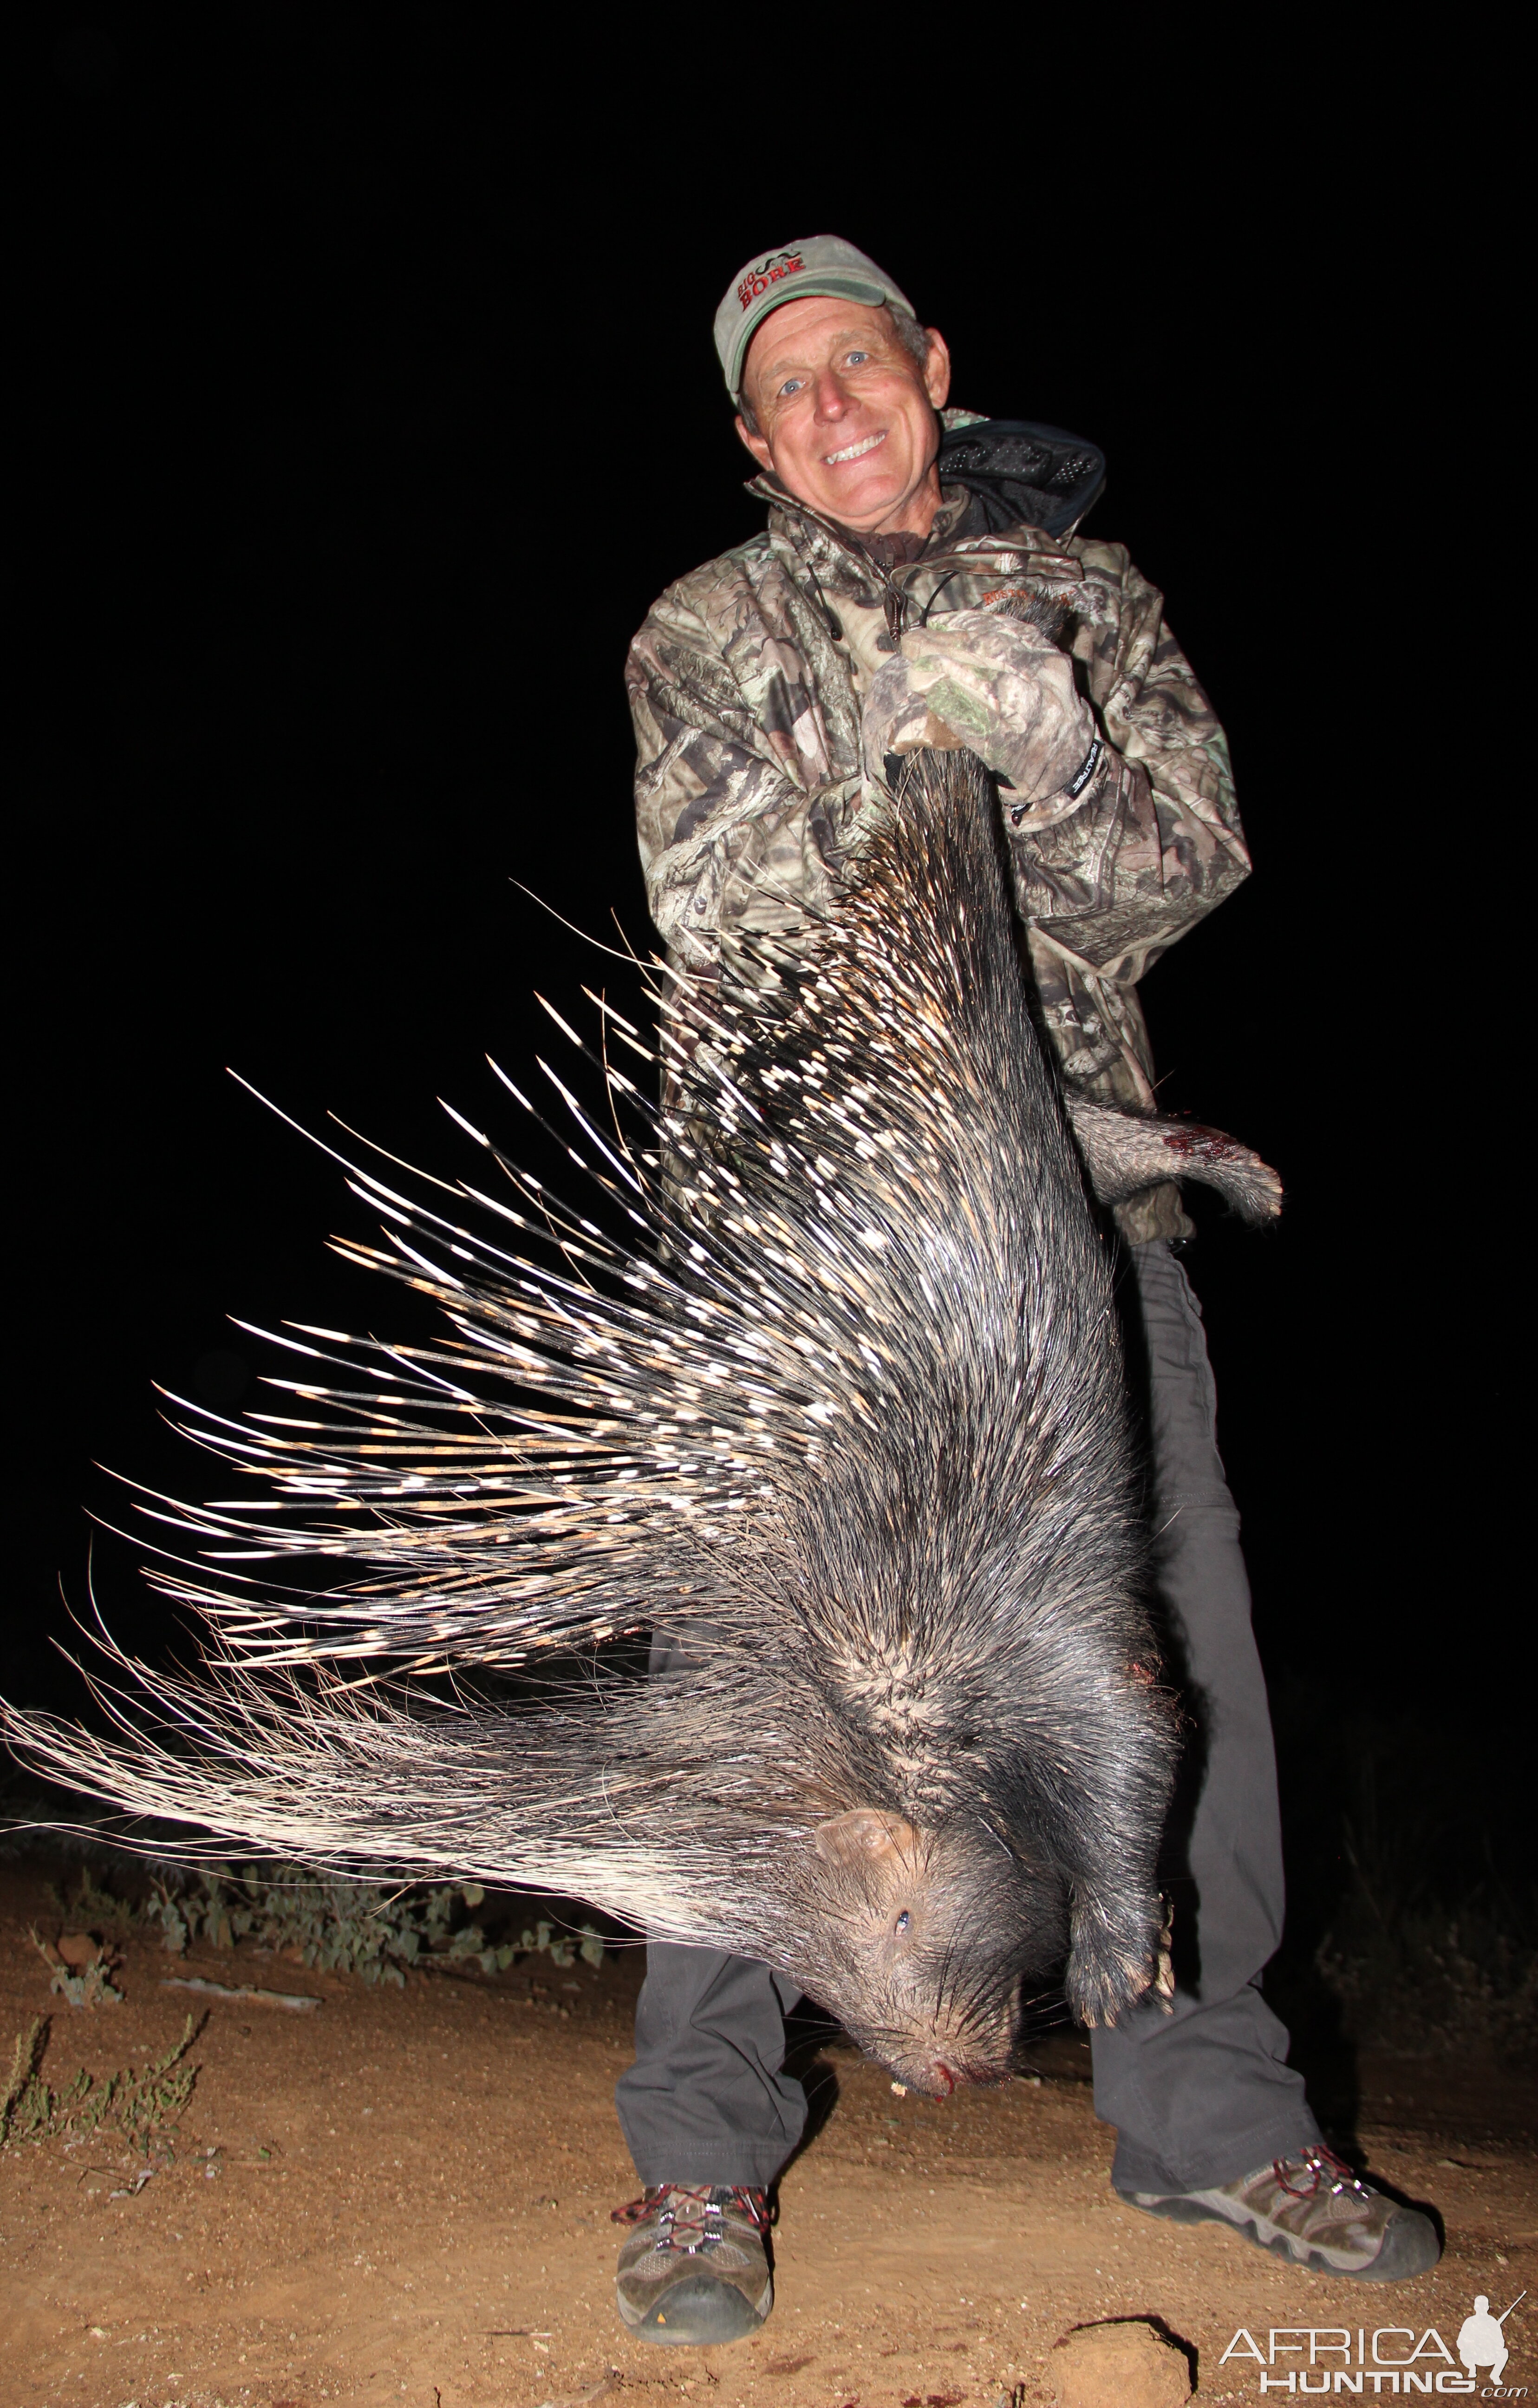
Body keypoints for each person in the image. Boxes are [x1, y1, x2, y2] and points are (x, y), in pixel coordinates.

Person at [611, 235, 1440, 2346]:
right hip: (830, 1225)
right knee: (752, 1677)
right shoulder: (704, 635)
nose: (832, 404)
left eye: (858, 361)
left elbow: (1194, 864)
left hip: (1092, 1239)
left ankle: (1211, 2108)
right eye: (786, 386)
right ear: (754, 439)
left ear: (932, 370)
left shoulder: (1099, 595)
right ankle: (701, 2156)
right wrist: (908, 777)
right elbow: (740, 954)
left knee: (1184, 1641)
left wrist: (1056, 754)